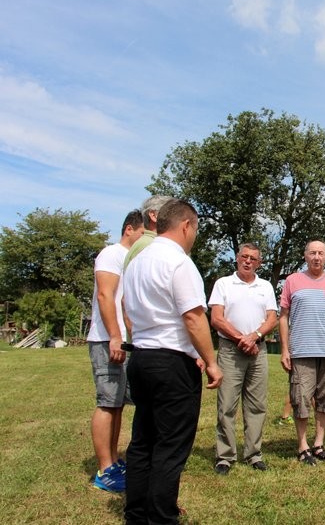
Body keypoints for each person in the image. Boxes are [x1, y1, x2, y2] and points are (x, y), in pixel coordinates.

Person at [123, 199, 223, 524]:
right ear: (185, 225)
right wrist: (210, 360)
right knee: (170, 445)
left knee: (143, 441)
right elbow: (194, 317)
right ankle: (162, 517)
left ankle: (136, 513)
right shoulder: (179, 262)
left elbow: (126, 305)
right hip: (171, 364)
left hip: (140, 358)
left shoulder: (137, 260)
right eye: (195, 229)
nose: (195, 236)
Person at [87, 210, 144, 492]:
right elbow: (104, 295)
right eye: (142, 233)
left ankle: (114, 459)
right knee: (107, 401)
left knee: (119, 402)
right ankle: (104, 470)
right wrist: (114, 336)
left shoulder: (130, 259)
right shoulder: (111, 253)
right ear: (130, 229)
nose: (145, 239)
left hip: (122, 340)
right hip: (106, 339)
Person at [209, 243, 278, 475]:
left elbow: (271, 318)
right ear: (237, 259)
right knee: (227, 404)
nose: (248, 261)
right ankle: (225, 456)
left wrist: (255, 336)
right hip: (231, 350)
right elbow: (216, 318)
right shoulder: (223, 284)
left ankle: (254, 454)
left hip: (258, 351)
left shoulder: (265, 286)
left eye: (253, 259)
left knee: (257, 405)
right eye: (244, 257)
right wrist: (242, 339)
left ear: (259, 263)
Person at [279, 240, 325, 465]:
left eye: (321, 253)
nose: (316, 257)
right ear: (305, 256)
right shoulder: (292, 281)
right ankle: (302, 446)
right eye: (312, 253)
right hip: (301, 350)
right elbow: (283, 317)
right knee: (300, 399)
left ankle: (318, 444)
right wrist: (285, 350)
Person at [123, 195, 172, 270]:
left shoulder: (147, 243)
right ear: (154, 215)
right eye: (170, 212)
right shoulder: (150, 245)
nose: (176, 218)